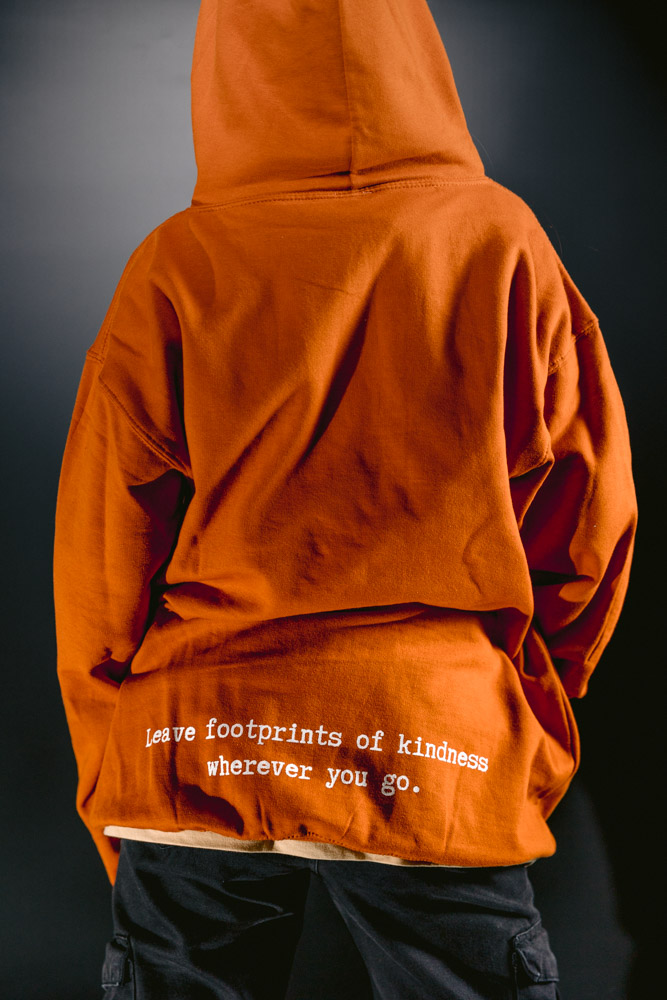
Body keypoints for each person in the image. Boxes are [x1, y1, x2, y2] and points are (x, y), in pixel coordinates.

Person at [53, 1, 637, 997]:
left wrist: (117, 772)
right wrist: (522, 718)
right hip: (435, 737)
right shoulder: (501, 242)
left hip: (201, 728)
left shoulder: (177, 263)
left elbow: (102, 559)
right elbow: (586, 527)